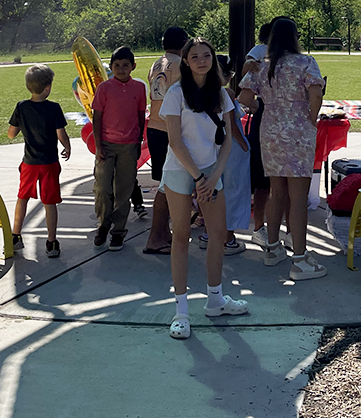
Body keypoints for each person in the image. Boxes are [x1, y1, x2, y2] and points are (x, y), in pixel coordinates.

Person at [159, 38, 248, 339]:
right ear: (185, 61)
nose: (201, 60)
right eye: (194, 56)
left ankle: (216, 299)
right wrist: (199, 178)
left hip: (211, 169)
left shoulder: (222, 94)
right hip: (181, 169)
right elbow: (174, 140)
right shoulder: (175, 94)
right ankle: (181, 311)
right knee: (181, 235)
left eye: (206, 55)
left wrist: (214, 175)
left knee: (218, 234)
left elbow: (227, 139)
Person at [238, 17, 327, 281]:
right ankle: (299, 258)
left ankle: (273, 248)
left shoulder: (261, 67)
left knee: (277, 191)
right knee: (298, 197)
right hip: (298, 132)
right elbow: (316, 94)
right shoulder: (306, 62)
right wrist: (311, 117)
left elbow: (243, 98)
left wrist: (264, 108)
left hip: (270, 132)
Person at [7, 64, 72, 259]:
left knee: (23, 197)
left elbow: (11, 133)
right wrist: (67, 147)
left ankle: (16, 236)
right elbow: (61, 133)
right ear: (48, 87)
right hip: (49, 163)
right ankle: (52, 242)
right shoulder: (53, 108)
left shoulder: (21, 107)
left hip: (29, 163)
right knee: (49, 202)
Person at [90, 46, 148, 252]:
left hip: (129, 146)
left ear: (133, 66)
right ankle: (103, 225)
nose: (121, 69)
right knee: (103, 188)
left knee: (123, 190)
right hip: (106, 144)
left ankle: (118, 232)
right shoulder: (104, 88)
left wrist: (138, 140)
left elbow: (141, 114)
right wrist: (98, 146)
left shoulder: (139, 88)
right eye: (116, 66)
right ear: (111, 67)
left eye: (125, 65)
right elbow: (97, 117)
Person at [195, 55, 250, 256]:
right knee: (233, 192)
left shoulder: (198, 92)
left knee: (212, 190)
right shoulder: (225, 94)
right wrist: (244, 144)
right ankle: (227, 238)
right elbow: (231, 125)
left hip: (208, 149)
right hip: (231, 149)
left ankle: (208, 233)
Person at [143, 26, 188, 255]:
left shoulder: (156, 64)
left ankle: (162, 233)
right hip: (170, 128)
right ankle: (157, 235)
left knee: (165, 182)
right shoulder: (181, 66)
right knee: (168, 186)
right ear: (184, 44)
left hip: (154, 126)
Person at [242, 21, 273, 244]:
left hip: (271, 115)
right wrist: (253, 66)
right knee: (263, 179)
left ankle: (269, 228)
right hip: (266, 114)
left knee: (275, 181)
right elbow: (247, 67)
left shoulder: (295, 58)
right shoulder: (261, 51)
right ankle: (261, 227)